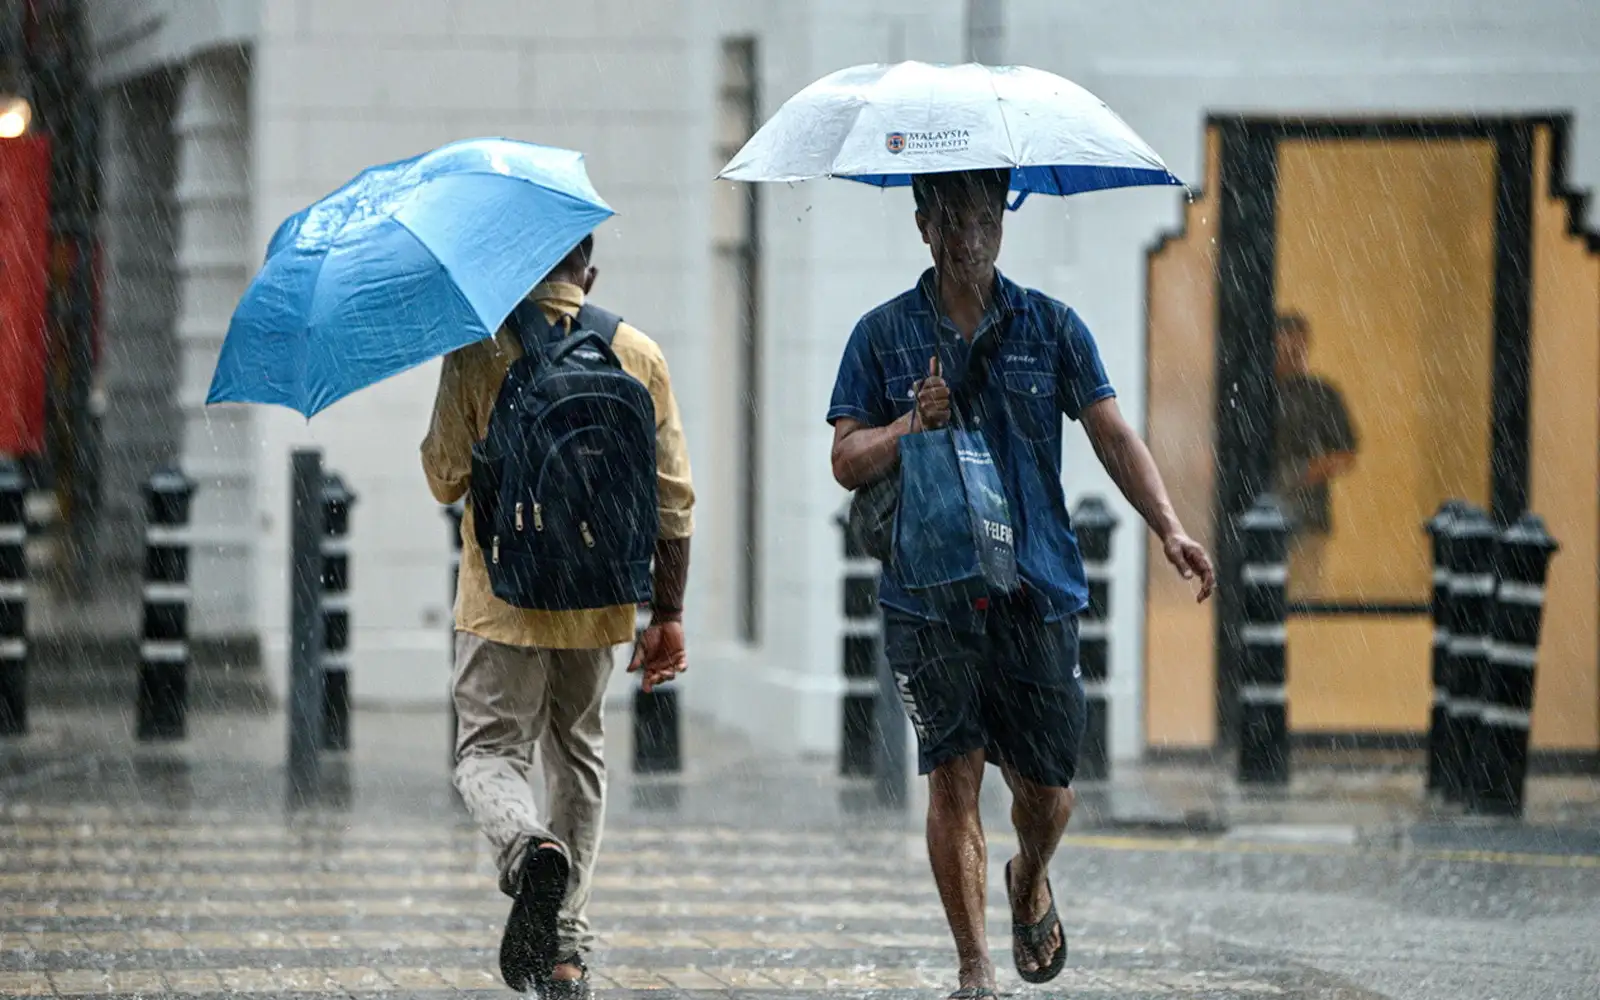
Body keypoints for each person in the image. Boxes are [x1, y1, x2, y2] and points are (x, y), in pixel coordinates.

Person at [827, 169, 1215, 999]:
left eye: (982, 218)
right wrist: (907, 425)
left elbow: (1112, 433)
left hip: (1035, 588)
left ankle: (1030, 873)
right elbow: (845, 460)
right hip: (930, 595)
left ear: (1002, 221)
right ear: (923, 226)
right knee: (954, 777)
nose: (969, 237)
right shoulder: (883, 335)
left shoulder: (1051, 328)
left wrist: (1171, 528)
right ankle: (975, 970)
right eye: (951, 221)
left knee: (1049, 793)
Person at [421, 234, 694, 997]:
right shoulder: (636, 352)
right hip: (599, 601)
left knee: (487, 754)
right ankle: (567, 946)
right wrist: (667, 613)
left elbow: (444, 478)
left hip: (501, 599)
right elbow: (674, 502)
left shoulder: (477, 350)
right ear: (589, 272)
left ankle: (527, 847)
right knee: (577, 754)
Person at [1272, 312, 1358, 601]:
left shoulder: (1321, 395)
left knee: (1301, 602)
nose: (1293, 355)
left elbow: (1346, 454)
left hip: (1307, 521)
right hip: (1264, 517)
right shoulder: (1255, 393)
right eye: (1286, 347)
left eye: (1299, 348)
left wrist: (1307, 472)